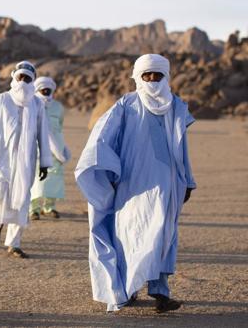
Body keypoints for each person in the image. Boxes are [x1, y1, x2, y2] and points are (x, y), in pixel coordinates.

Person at [75, 54, 196, 314]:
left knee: (163, 235)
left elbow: (182, 147)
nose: (152, 80)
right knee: (132, 235)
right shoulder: (125, 105)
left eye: (157, 75)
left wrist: (189, 180)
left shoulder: (177, 106)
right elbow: (102, 139)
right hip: (133, 185)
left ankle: (160, 292)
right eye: (146, 75)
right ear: (137, 77)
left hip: (169, 184)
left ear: (167, 76)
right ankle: (126, 290)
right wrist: (105, 171)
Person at [0, 61, 52, 259]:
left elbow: (43, 133)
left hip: (26, 163)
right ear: (14, 78)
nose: (23, 81)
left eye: (27, 78)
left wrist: (45, 162)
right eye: (20, 77)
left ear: (32, 81)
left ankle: (14, 244)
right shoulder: (1, 100)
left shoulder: (37, 104)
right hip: (1, 160)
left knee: (21, 199)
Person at [29, 76, 71, 220]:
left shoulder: (58, 107)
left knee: (54, 178)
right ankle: (33, 209)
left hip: (56, 149)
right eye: (42, 89)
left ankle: (49, 208)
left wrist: (62, 146)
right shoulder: (31, 104)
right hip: (36, 148)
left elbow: (59, 126)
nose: (46, 91)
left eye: (48, 89)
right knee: (35, 178)